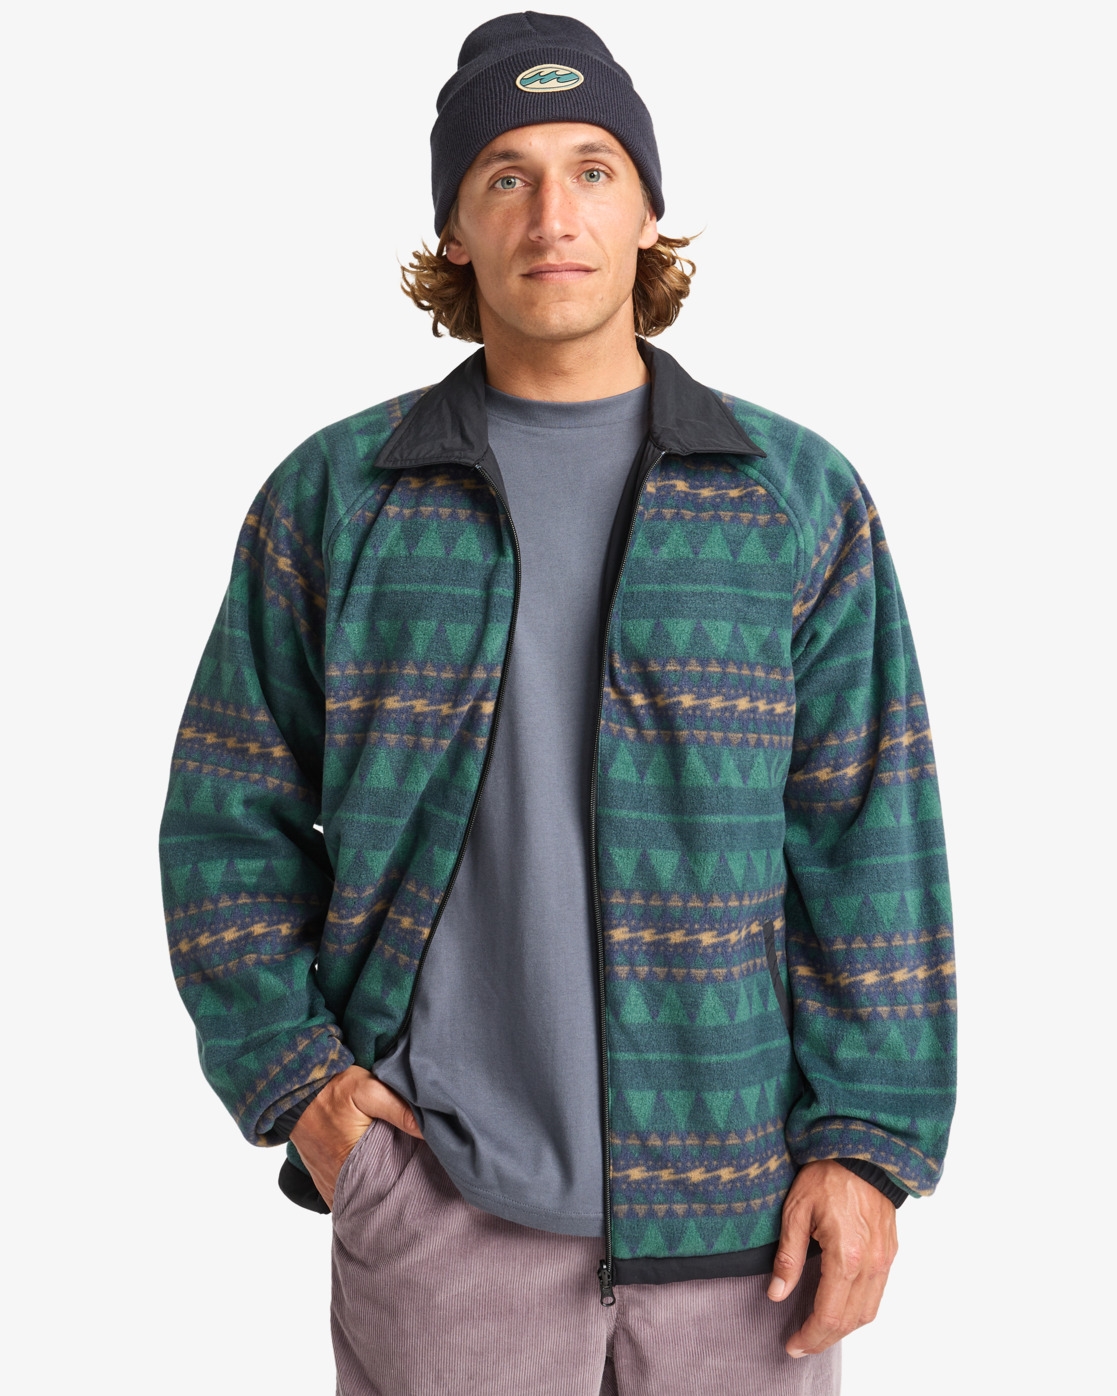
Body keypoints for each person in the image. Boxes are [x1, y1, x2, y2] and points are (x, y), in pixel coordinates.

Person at [159, 12, 956, 1394]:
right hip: (441, 1216)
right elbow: (227, 817)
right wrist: (303, 1089)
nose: (554, 214)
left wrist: (869, 1149)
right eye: (506, 176)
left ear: (647, 213)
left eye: (593, 169)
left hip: (746, 1227)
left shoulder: (789, 498)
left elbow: (868, 840)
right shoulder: (339, 498)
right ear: (454, 230)